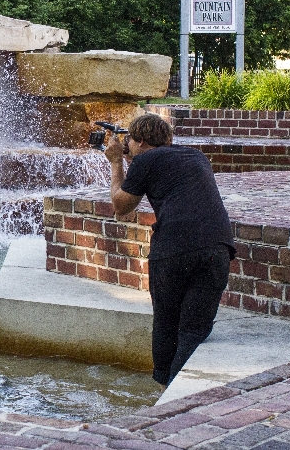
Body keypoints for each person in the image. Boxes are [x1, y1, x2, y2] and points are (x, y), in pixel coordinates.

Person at [103, 113, 235, 387]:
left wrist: (117, 161)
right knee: (194, 329)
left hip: (173, 248)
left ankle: (164, 389)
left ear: (139, 141)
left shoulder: (144, 160)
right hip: (218, 247)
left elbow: (121, 206)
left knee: (166, 323)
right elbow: (167, 176)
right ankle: (182, 397)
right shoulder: (196, 156)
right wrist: (133, 161)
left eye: (129, 141)